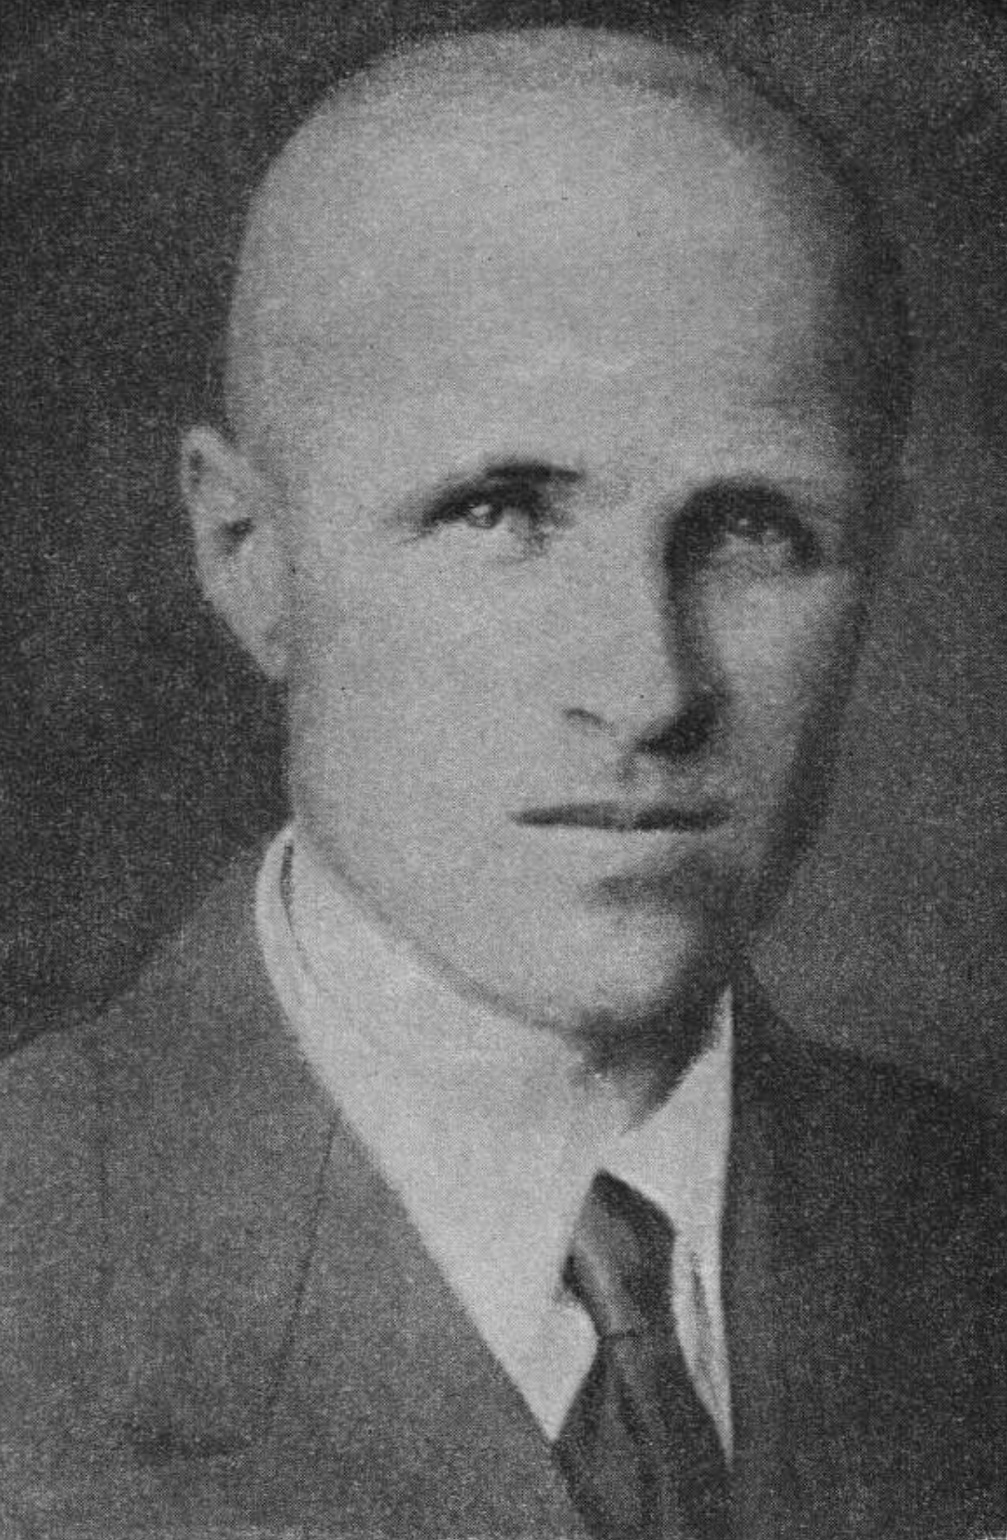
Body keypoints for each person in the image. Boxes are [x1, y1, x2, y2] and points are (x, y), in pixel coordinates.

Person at [1, 24, 1003, 1540]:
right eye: (497, 513)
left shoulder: (966, 1229)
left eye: (753, 529)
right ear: (247, 554)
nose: (651, 690)